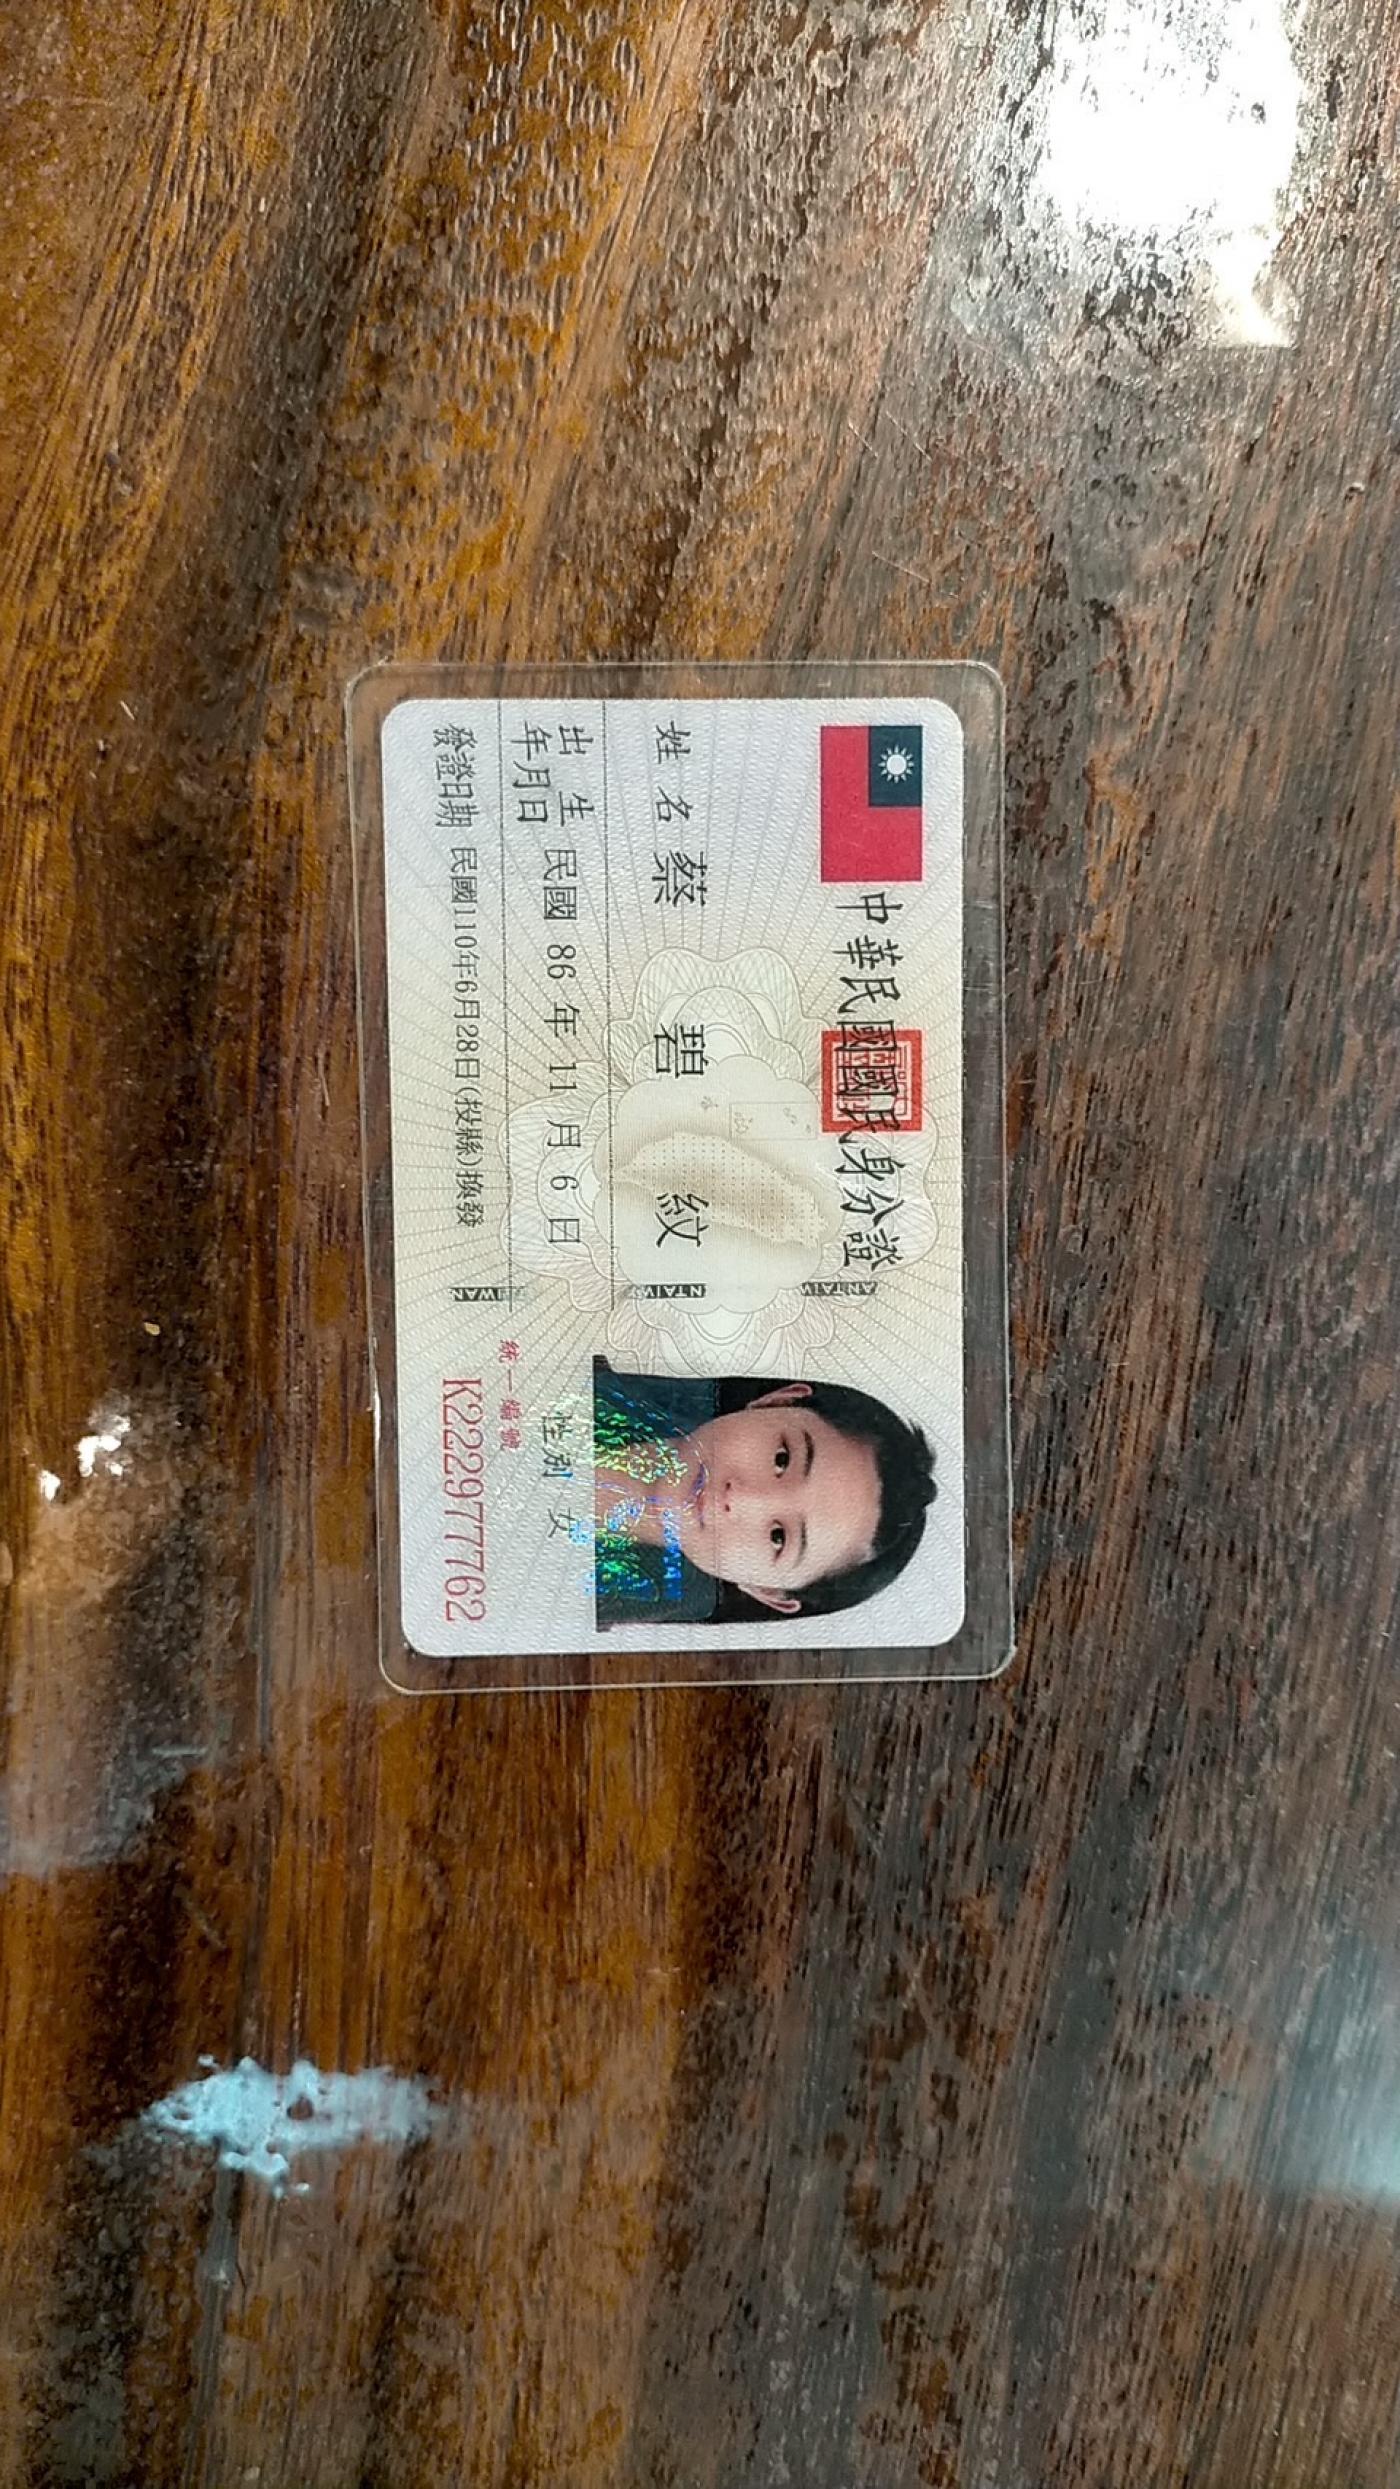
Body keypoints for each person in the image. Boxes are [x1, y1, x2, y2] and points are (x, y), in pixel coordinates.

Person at [592, 1360, 935, 1628]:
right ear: (777, 1401)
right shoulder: (578, 1369)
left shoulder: (579, 1613)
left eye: (778, 1537)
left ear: (767, 1592)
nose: (739, 1499)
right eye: (782, 1459)